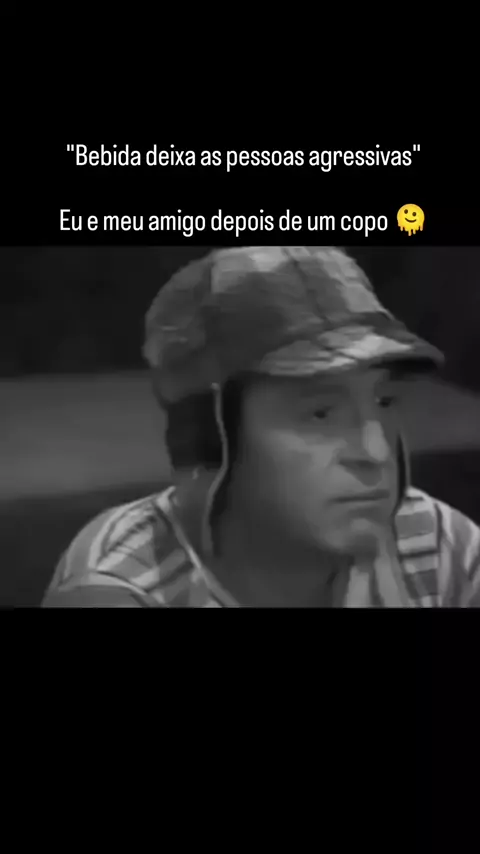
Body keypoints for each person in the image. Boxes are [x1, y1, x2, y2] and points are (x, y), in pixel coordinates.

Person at [42, 246, 480, 607]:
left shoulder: (440, 546)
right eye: (320, 413)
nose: (375, 452)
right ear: (207, 441)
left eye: (384, 401)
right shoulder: (120, 589)